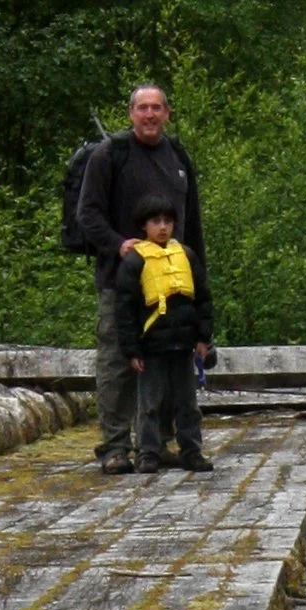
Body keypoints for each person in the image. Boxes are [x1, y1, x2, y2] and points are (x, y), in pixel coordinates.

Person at [75, 83, 209, 473]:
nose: (149, 115)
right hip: (122, 282)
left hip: (173, 287)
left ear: (167, 113)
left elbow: (192, 225)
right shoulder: (109, 155)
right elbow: (88, 215)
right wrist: (118, 245)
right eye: (142, 108)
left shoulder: (179, 157)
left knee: (168, 364)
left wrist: (199, 278)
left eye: (157, 108)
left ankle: (157, 442)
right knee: (118, 360)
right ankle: (115, 446)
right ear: (131, 113)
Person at [115, 205, 214, 473]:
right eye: (156, 221)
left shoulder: (187, 256)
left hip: (183, 345)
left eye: (168, 221)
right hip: (151, 347)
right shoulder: (135, 261)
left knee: (187, 404)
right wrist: (132, 351)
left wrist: (204, 338)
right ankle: (148, 453)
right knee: (149, 405)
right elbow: (124, 310)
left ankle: (192, 450)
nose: (162, 227)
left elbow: (203, 300)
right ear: (144, 227)